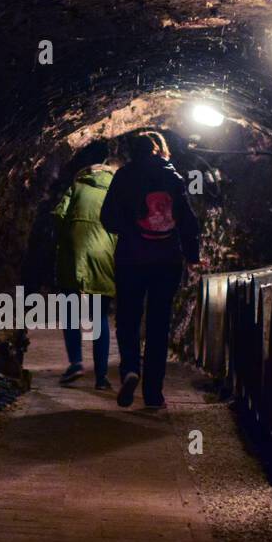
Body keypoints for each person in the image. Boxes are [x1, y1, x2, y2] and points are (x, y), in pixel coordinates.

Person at [100, 130, 202, 409]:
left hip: (131, 258)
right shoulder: (174, 178)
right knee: (159, 324)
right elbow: (188, 222)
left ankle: (130, 368)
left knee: (128, 319)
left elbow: (107, 218)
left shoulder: (124, 177)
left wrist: (130, 229)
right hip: (166, 261)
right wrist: (192, 256)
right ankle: (154, 393)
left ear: (132, 152)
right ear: (159, 150)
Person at [51, 141, 118, 389]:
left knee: (70, 311)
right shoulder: (115, 190)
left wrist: (63, 236)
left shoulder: (77, 186)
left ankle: (76, 363)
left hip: (73, 252)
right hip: (104, 255)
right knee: (99, 315)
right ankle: (101, 377)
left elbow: (58, 215)